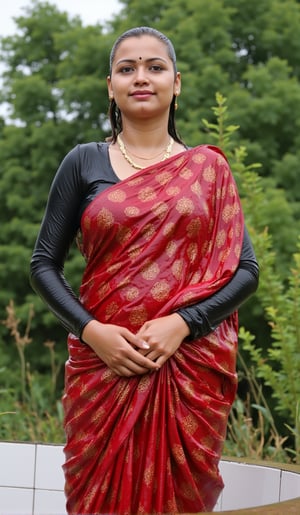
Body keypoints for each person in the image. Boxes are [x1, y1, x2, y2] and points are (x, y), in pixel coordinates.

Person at [30, 26, 259, 515]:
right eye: (126, 68)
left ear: (176, 83)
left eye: (155, 67)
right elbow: (44, 264)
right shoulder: (83, 162)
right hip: (101, 373)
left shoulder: (209, 170)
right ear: (109, 84)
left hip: (187, 373)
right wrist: (93, 333)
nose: (141, 77)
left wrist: (185, 323)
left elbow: (246, 271)